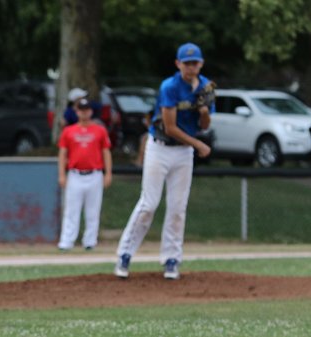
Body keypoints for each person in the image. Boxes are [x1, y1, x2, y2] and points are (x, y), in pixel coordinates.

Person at [114, 42, 213, 281]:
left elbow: (204, 125)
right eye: (186, 63)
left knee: (178, 207)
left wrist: (204, 112)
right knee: (149, 204)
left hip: (184, 153)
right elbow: (170, 127)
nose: (191, 67)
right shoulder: (169, 86)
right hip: (159, 148)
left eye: (195, 63)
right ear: (178, 64)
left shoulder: (206, 86)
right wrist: (198, 144)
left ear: (201, 64)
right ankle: (124, 254)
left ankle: (171, 259)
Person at [56, 98, 112, 252]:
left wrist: (108, 173)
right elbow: (63, 153)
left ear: (91, 111)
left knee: (93, 210)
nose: (84, 113)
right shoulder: (69, 131)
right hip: (75, 174)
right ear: (77, 112)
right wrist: (62, 174)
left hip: (94, 174)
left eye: (86, 110)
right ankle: (66, 242)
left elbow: (106, 152)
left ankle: (90, 242)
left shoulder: (100, 130)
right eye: (81, 110)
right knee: (71, 209)